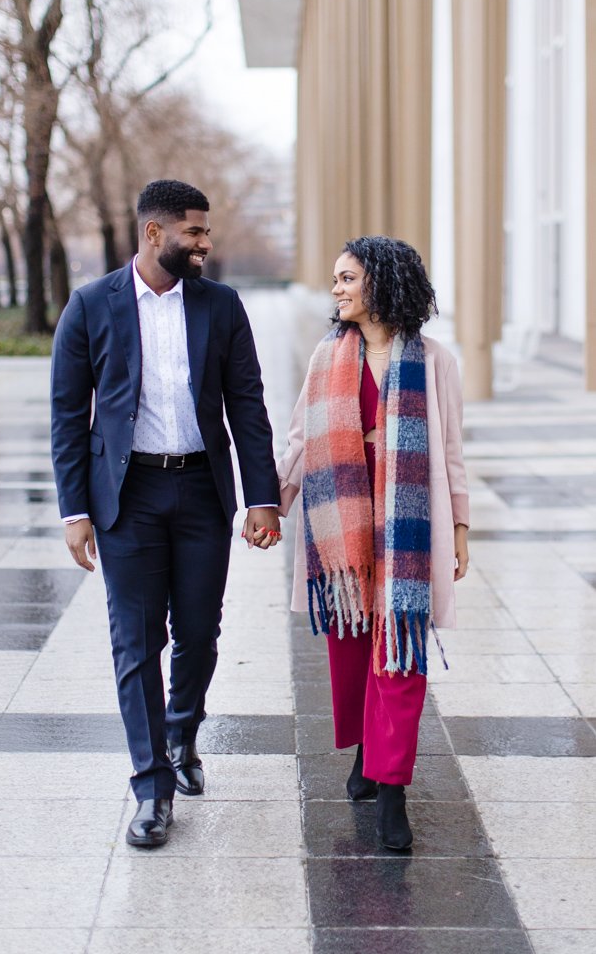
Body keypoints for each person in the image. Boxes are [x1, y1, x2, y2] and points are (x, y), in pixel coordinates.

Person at [50, 179, 281, 848]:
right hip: (128, 499)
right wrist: (75, 510)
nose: (205, 244)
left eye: (205, 232)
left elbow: (247, 403)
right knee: (134, 642)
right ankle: (151, 788)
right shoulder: (92, 305)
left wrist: (260, 496)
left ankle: (181, 731)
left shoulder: (221, 305)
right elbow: (69, 417)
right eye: (194, 232)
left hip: (203, 492)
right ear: (154, 234)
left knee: (200, 633)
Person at [277, 235, 469, 849]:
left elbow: (453, 452)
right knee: (354, 645)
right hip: (347, 522)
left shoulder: (434, 360)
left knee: (400, 651)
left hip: (409, 522)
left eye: (347, 278)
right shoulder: (327, 356)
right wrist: (269, 505)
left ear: (382, 283)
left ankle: (393, 793)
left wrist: (460, 528)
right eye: (336, 279)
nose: (337, 289)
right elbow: (301, 438)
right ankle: (365, 751)